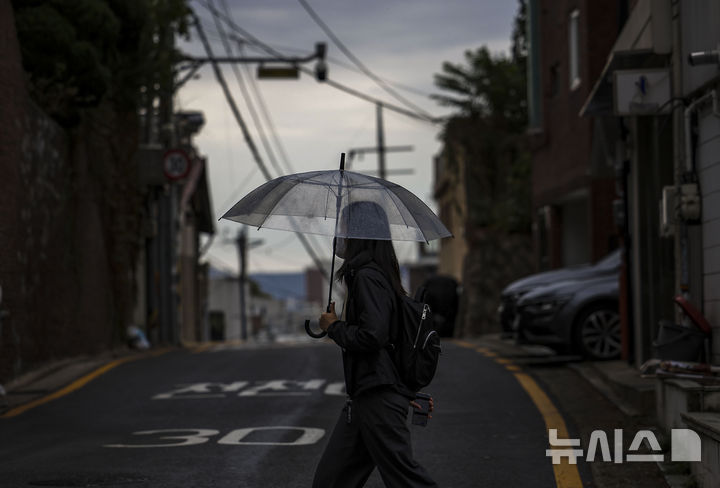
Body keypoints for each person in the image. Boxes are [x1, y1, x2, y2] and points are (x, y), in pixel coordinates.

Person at [312, 201, 437, 488]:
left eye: (343, 228)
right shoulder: (372, 274)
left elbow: (373, 335)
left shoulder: (368, 276)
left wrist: (334, 327)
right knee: (331, 481)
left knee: (406, 479)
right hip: (366, 398)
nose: (339, 236)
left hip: (377, 398)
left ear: (359, 233)